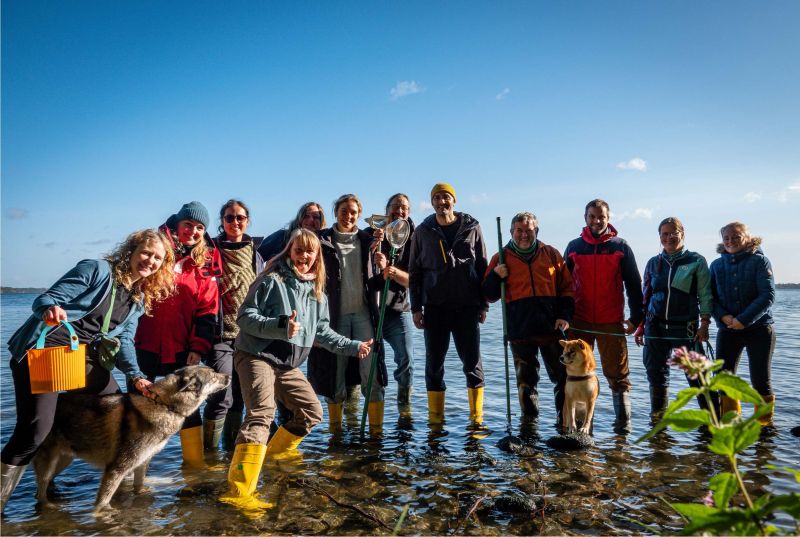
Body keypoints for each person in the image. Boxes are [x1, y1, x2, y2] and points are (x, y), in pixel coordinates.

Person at [1, 229, 174, 513]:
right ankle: (2, 502)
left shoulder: (137, 300)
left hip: (79, 359)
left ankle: (111, 481)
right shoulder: (96, 270)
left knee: (118, 407)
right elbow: (45, 298)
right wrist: (50, 309)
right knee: (34, 431)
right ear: (130, 250)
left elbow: (124, 342)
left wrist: (135, 375)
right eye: (146, 252)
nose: (150, 261)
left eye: (157, 258)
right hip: (43, 353)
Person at [220, 229, 372, 510]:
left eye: (309, 251)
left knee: (312, 411)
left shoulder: (318, 293)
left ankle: (275, 456)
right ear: (289, 251)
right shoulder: (271, 280)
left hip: (286, 364)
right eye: (298, 250)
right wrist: (280, 326)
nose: (304, 256)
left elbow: (323, 332)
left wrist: (354, 346)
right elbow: (244, 318)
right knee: (261, 414)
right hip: (256, 354)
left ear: (317, 256)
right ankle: (239, 493)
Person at [134, 201, 221, 466]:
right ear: (177, 224)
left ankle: (194, 468)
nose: (193, 232)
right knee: (140, 408)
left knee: (189, 408)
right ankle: (134, 469)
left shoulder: (205, 263)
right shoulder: (156, 251)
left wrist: (198, 347)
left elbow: (208, 309)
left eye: (199, 228)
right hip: (146, 344)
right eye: (188, 225)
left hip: (183, 348)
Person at [408, 183, 488, 424]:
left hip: (467, 306)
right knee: (434, 365)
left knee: (472, 363)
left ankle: (476, 419)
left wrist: (483, 304)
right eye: (438, 198)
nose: (442, 202)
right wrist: (415, 308)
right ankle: (436, 421)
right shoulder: (422, 231)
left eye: (447, 198)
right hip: (435, 308)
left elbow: (483, 266)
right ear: (432, 203)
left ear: (454, 201)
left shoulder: (472, 227)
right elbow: (415, 272)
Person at [483, 212, 574, 421]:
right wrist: (497, 276)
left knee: (562, 377)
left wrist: (564, 315)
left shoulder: (551, 254)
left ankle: (564, 424)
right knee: (526, 381)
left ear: (537, 231)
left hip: (552, 329)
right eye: (519, 231)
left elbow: (567, 288)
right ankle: (529, 428)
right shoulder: (501, 257)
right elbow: (488, 295)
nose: (524, 235)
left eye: (529, 231)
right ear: (511, 232)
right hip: (520, 331)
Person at [563, 199, 643, 434]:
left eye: (601, 217)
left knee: (618, 377)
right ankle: (580, 431)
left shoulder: (621, 247)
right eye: (592, 217)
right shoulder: (574, 246)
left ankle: (623, 429)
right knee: (578, 375)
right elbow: (563, 285)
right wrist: (565, 316)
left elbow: (634, 285)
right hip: (580, 321)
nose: (597, 221)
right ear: (585, 218)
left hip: (611, 321)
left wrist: (636, 318)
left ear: (608, 218)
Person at [307, 194, 386, 431]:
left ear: (359, 214)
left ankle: (376, 435)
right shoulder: (322, 240)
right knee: (336, 373)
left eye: (353, 212)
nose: (348, 216)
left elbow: (379, 275)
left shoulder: (368, 239)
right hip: (334, 316)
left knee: (370, 371)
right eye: (344, 211)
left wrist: (382, 264)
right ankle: (335, 433)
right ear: (335, 212)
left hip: (363, 313)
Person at [635, 217, 713, 420]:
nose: (669, 238)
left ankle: (712, 425)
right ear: (659, 236)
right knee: (656, 376)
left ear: (682, 233)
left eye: (673, 233)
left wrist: (704, 324)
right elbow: (646, 296)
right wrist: (641, 326)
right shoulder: (653, 262)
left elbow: (705, 295)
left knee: (699, 377)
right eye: (664, 234)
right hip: (655, 328)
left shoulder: (696, 260)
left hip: (685, 329)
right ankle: (659, 426)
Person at [208, 200, 266, 451]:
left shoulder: (256, 252)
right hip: (220, 333)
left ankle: (230, 450)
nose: (235, 222)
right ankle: (209, 455)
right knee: (222, 395)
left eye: (240, 217)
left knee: (241, 397)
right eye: (229, 218)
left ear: (248, 220)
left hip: (248, 335)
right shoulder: (210, 249)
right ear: (221, 221)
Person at [709, 222, 776, 425]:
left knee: (760, 381)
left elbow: (768, 296)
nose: (731, 241)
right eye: (727, 238)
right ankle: (731, 422)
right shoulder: (716, 265)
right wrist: (723, 317)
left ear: (747, 237)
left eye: (736, 237)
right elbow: (709, 298)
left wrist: (743, 320)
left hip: (759, 330)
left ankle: (764, 426)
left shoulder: (760, 261)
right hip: (727, 330)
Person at [371, 193, 416, 411]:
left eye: (404, 208)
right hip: (371, 311)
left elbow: (414, 282)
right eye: (395, 207)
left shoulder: (416, 238)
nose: (399, 211)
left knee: (406, 361)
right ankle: (358, 414)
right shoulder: (372, 234)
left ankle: (404, 409)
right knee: (368, 364)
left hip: (398, 311)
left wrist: (391, 270)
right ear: (387, 209)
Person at [257, 202, 326, 263]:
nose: (311, 220)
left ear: (321, 221)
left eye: (316, 217)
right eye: (306, 216)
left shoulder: (326, 244)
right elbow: (256, 259)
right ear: (299, 218)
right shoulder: (281, 237)